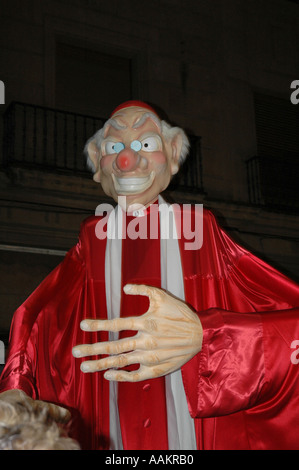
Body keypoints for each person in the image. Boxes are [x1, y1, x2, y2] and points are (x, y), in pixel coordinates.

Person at [0, 101, 299, 450]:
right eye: (114, 148)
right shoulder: (91, 240)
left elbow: (287, 325)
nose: (128, 160)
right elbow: (35, 320)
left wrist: (211, 337)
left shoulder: (199, 231)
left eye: (146, 144)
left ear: (173, 156)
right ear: (98, 166)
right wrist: (16, 388)